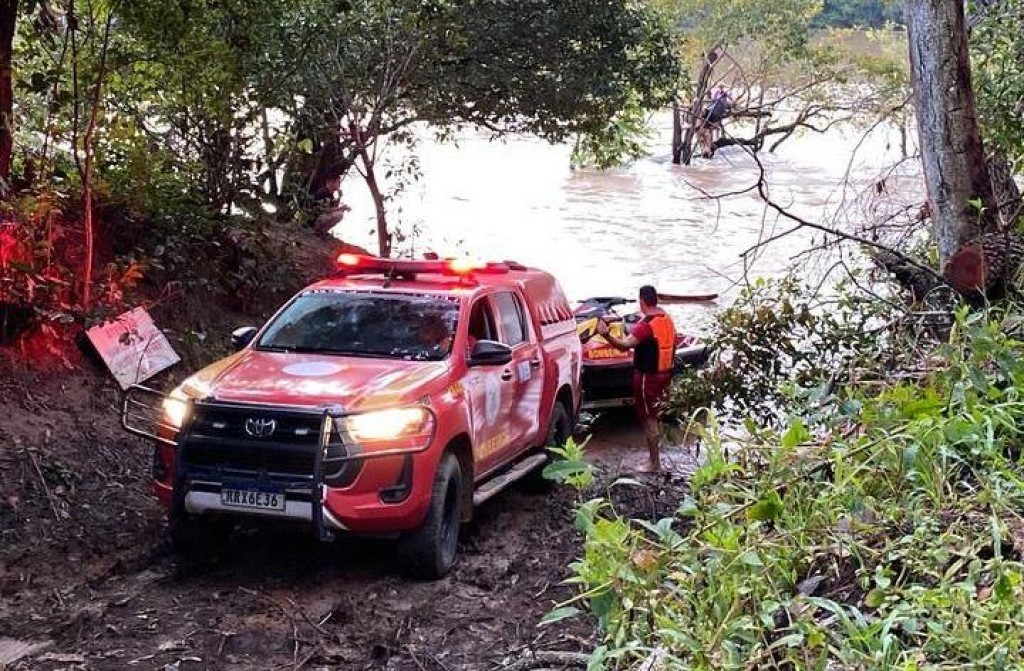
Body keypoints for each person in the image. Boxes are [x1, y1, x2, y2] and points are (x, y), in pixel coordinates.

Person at [597, 286, 676, 472]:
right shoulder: (667, 319)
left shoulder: (646, 325)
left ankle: (654, 463)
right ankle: (657, 458)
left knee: (649, 419)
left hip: (647, 378)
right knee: (656, 417)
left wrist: (606, 334)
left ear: (642, 301)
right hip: (665, 375)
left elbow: (625, 346)